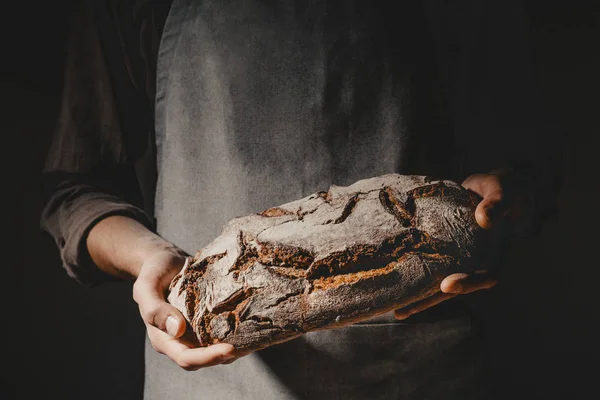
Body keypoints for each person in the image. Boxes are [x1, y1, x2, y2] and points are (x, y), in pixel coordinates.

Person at [41, 0, 562, 399]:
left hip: (419, 371)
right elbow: (76, 191)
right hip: (210, 376)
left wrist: (503, 206)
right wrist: (154, 260)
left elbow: (525, 168)